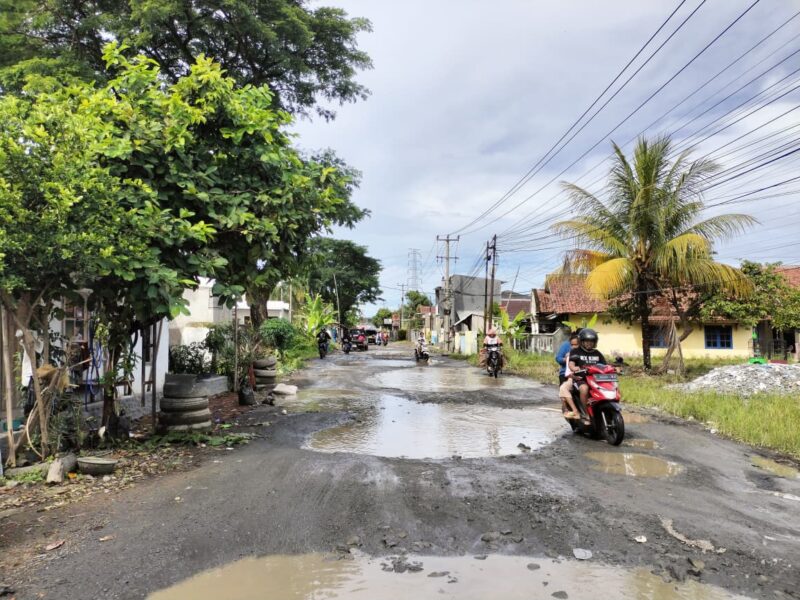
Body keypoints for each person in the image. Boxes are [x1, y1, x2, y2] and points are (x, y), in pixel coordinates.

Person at [568, 328, 607, 420]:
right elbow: (571, 363)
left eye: (592, 341)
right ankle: (585, 413)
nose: (589, 343)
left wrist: (615, 368)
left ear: (595, 342)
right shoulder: (576, 351)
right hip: (581, 379)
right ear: (582, 341)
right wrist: (574, 368)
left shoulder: (597, 353)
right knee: (584, 389)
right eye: (587, 341)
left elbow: (605, 365)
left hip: (596, 379)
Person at [556, 333, 581, 419]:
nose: (574, 346)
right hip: (566, 373)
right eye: (572, 344)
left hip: (580, 374)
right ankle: (566, 409)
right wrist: (566, 359)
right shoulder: (566, 346)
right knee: (563, 391)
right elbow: (558, 358)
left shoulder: (586, 350)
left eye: (576, 344)